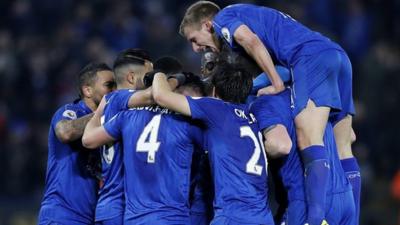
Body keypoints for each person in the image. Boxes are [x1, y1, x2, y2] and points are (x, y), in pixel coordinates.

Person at [179, 2, 360, 224]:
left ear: (207, 24)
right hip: (336, 54)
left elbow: (251, 41)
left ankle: (315, 219)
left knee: (308, 137)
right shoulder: (284, 78)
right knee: (344, 144)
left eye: (194, 40)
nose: (196, 48)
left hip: (309, 58)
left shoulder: (223, 19)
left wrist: (274, 83)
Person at [152, 63, 274, 225]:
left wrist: (160, 73)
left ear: (215, 91)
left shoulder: (216, 108)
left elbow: (161, 96)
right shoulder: (250, 115)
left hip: (233, 215)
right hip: (264, 217)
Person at [82, 75, 206, 225]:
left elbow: (88, 140)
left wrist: (99, 113)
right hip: (172, 217)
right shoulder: (188, 125)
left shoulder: (127, 117)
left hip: (133, 218)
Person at [250, 89, 356, 225]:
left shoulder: (265, 102)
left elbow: (280, 145)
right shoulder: (313, 93)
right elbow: (350, 135)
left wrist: (257, 148)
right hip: (344, 196)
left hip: (307, 199)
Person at [38, 62, 115, 225]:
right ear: (87, 90)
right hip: (62, 214)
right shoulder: (70, 112)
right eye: (109, 85)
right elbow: (65, 132)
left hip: (92, 217)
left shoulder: (112, 124)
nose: (115, 90)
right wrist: (104, 113)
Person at [93, 48, 153, 225]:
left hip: (109, 203)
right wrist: (174, 80)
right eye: (149, 76)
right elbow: (153, 96)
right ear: (131, 77)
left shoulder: (111, 102)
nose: (152, 82)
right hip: (120, 203)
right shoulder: (121, 98)